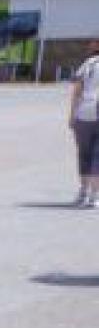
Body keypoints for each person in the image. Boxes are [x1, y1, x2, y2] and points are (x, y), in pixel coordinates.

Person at [73, 40, 99, 208]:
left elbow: (77, 89)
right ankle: (94, 196)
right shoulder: (88, 63)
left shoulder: (87, 64)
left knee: (84, 153)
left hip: (83, 113)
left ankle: (84, 191)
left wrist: (72, 114)